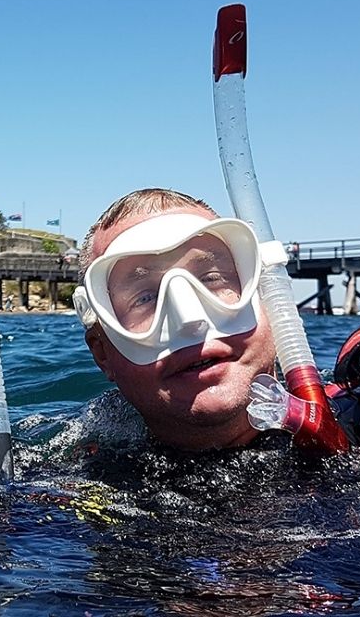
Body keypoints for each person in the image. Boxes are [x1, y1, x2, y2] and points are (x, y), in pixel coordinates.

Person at [73, 188, 277, 450]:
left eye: (212, 279)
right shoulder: (68, 479)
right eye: (145, 298)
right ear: (102, 353)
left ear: (270, 303)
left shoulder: (346, 412)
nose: (191, 320)